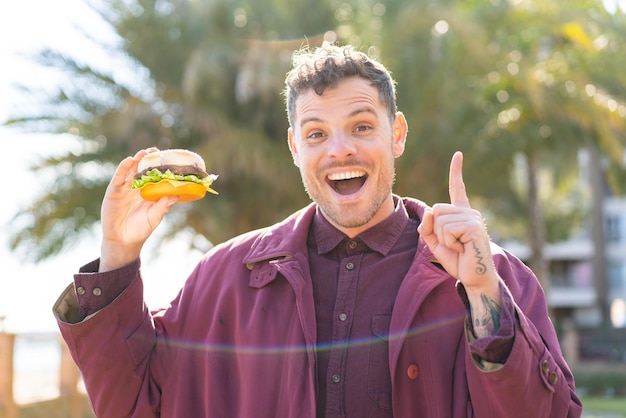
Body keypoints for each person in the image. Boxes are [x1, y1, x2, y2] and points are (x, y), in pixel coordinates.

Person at [53, 43, 583, 417]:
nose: (339, 150)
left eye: (361, 126)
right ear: (294, 148)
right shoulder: (222, 279)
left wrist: (484, 294)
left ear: (396, 134)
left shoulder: (494, 276)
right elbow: (133, 403)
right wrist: (118, 253)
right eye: (316, 133)